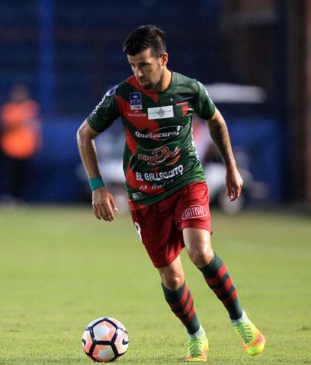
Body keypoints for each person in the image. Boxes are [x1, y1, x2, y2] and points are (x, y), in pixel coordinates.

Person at [76, 25, 265, 362]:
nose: (138, 72)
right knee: (171, 275)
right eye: (133, 65)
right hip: (144, 197)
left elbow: (217, 123)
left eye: (144, 64)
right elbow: (84, 134)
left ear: (163, 59)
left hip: (186, 182)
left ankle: (241, 321)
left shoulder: (190, 90)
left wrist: (232, 168)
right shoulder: (122, 95)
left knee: (199, 251)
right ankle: (196, 336)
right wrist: (97, 186)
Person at [0, 84, 41, 204]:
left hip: (26, 148)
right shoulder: (9, 108)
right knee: (9, 176)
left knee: (24, 177)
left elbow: (36, 127)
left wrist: (37, 143)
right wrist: (20, 121)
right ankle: (7, 198)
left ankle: (20, 199)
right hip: (11, 148)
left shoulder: (31, 107)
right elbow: (5, 126)